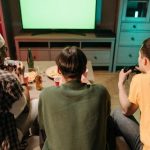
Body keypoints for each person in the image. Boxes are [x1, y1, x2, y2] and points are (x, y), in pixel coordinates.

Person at [38, 46, 112, 150]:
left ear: (59, 70)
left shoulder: (45, 95)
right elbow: (106, 116)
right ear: (84, 70)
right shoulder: (101, 92)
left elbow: (43, 126)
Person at [112, 38, 150, 150]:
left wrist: (120, 84)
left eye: (139, 56)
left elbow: (127, 110)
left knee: (116, 113)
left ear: (145, 61)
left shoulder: (140, 80)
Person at [0, 34, 30, 149]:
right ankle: (30, 138)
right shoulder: (8, 79)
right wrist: (21, 78)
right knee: (35, 102)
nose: (6, 52)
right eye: (5, 49)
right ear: (1, 52)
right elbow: (26, 106)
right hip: (6, 141)